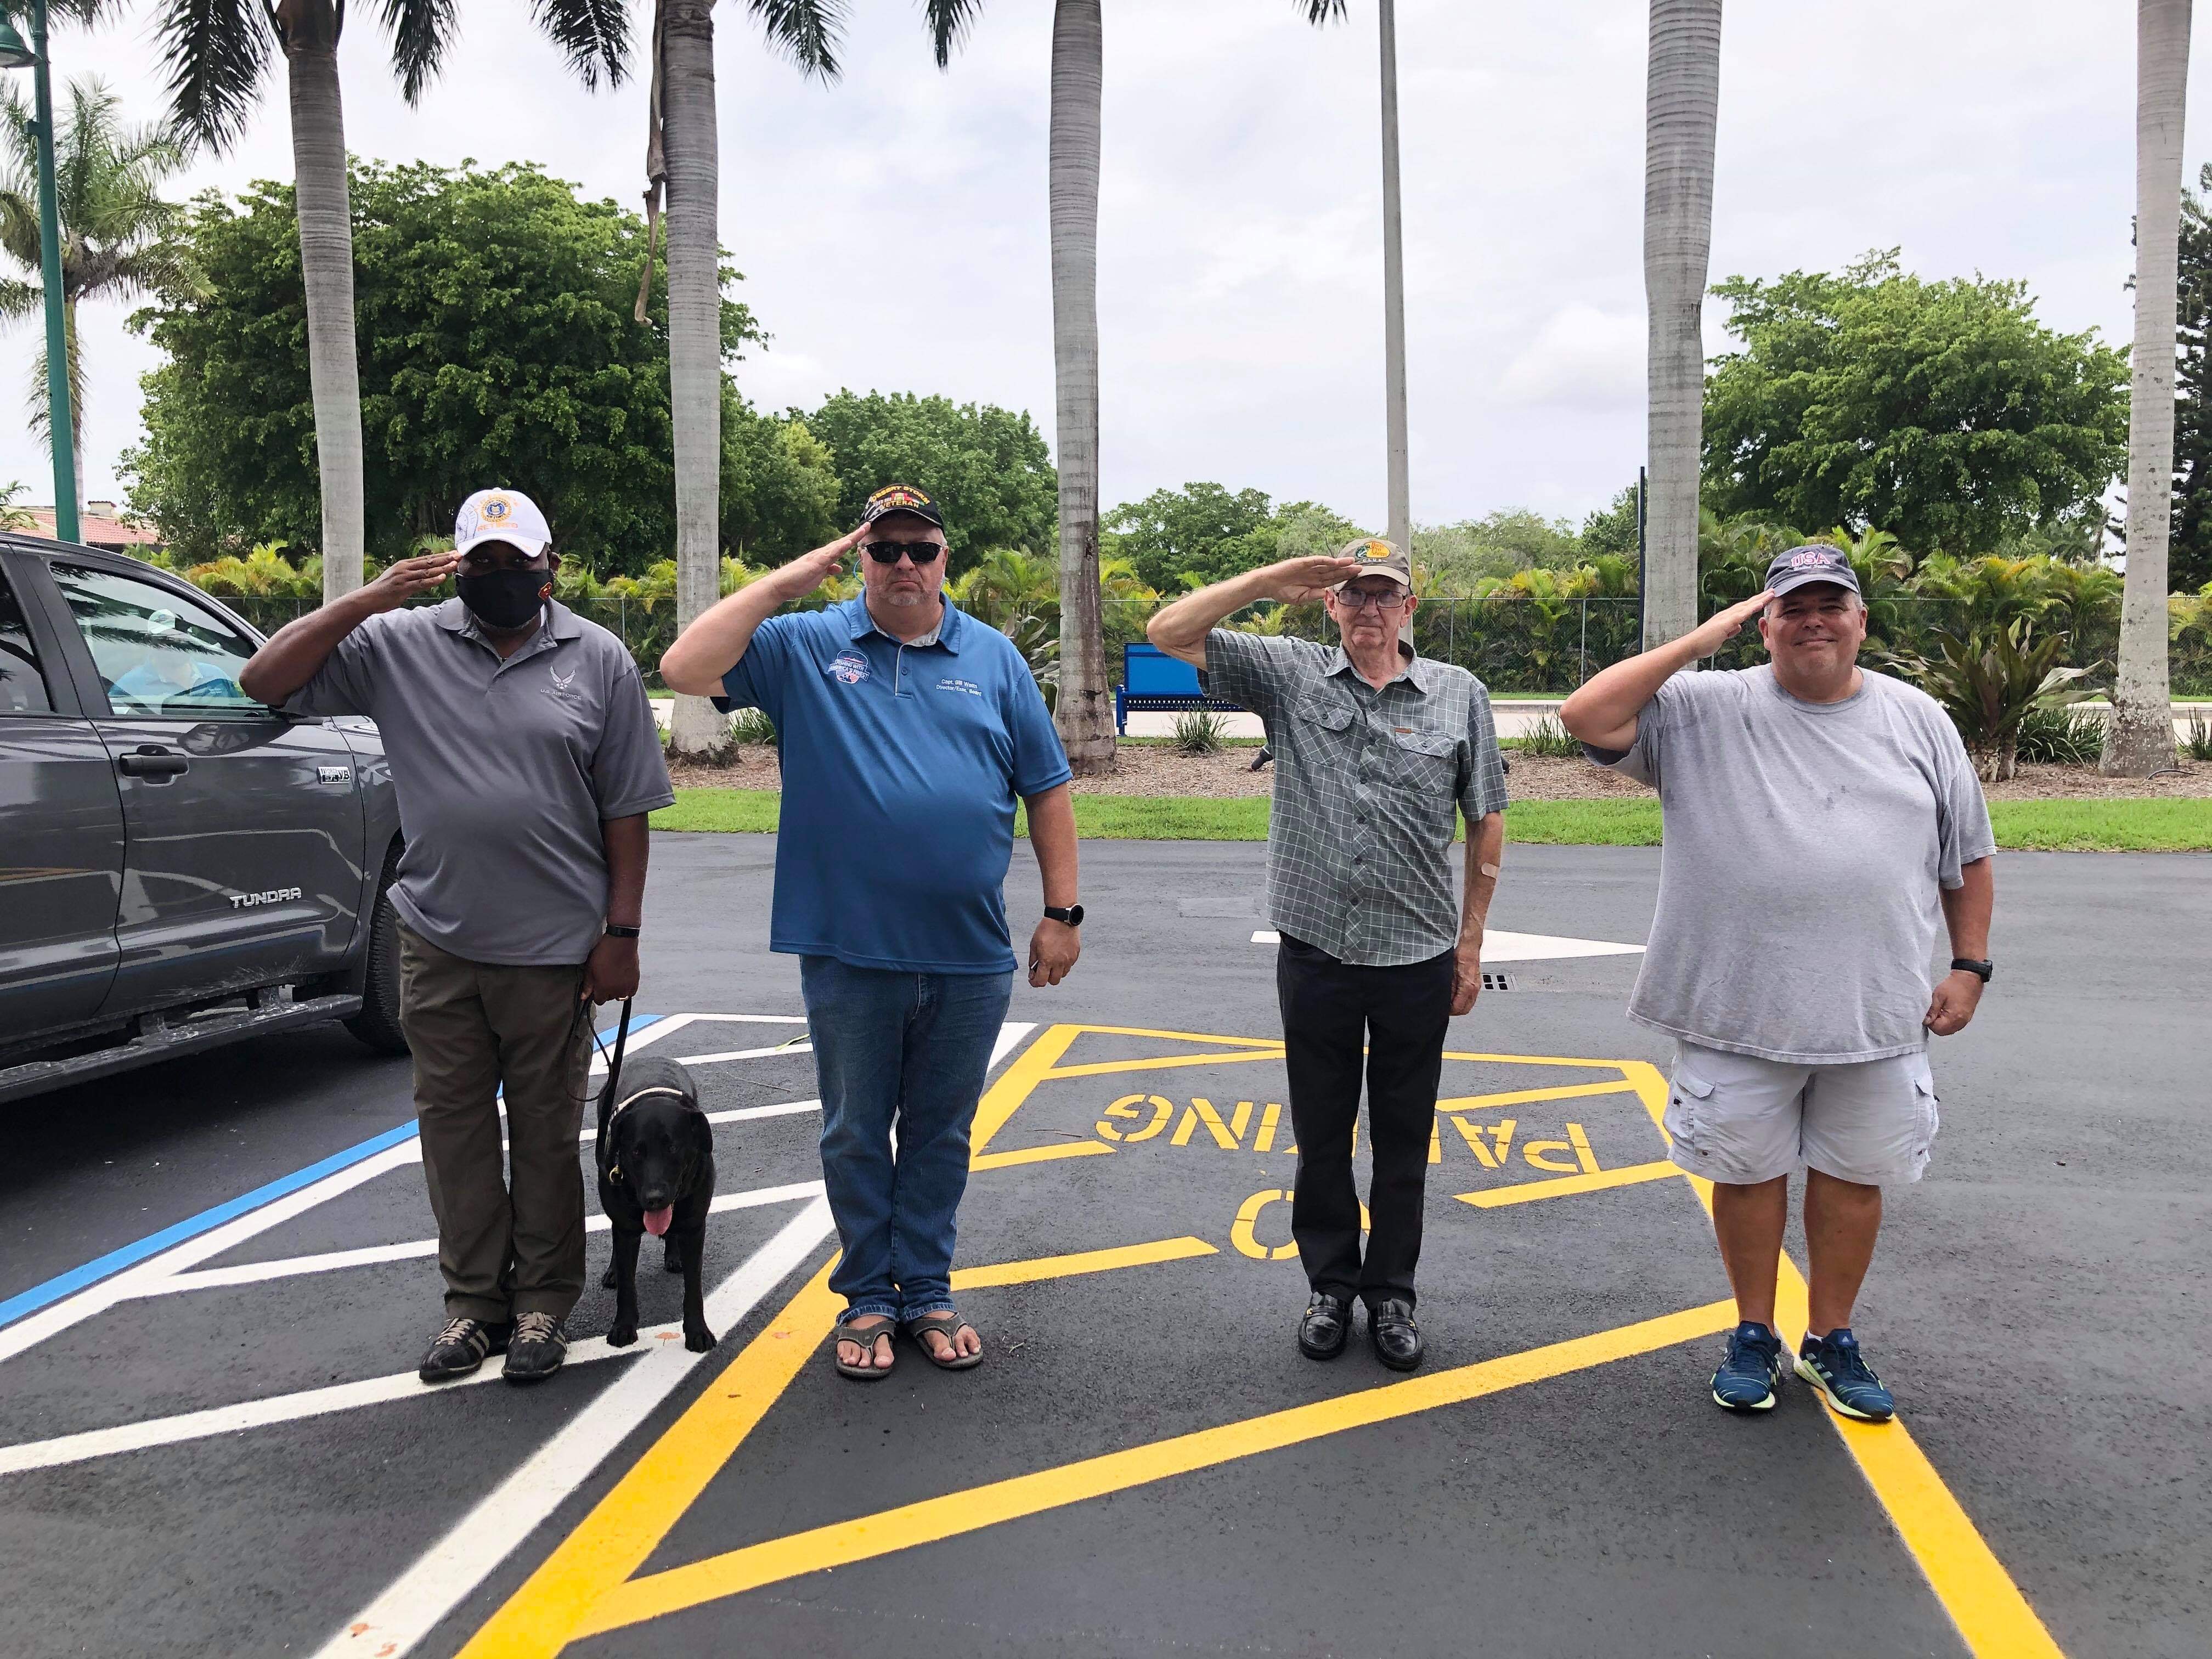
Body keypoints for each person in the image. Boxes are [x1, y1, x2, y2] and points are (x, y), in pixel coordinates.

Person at [238, 488, 672, 1386]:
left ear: (552, 564)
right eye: (484, 563)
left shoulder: (598, 659)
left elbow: (627, 809)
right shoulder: (398, 643)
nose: (502, 578)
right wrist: (368, 599)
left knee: (547, 1130)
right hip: (437, 939)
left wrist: (620, 933)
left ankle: (546, 1303)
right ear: (454, 565)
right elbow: (265, 681)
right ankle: (474, 1305)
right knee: (454, 1130)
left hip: (555, 948)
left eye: (520, 563)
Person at [1558, 545, 1996, 1421]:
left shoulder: (1918, 720)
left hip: (1875, 1005)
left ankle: (1831, 1339)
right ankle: (1753, 1333)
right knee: (1747, 1174)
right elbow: (1585, 715)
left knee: (1853, 1176)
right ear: (1763, 625)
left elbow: (1968, 856)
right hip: (1736, 1003)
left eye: (1833, 603)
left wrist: (1969, 965)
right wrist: (1704, 637)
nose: (1815, 620)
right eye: (1792, 607)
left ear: (1861, 620)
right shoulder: (1701, 708)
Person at [661, 483, 1081, 1381]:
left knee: (940, 1133)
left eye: (919, 549)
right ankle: (868, 1298)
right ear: (859, 559)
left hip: (969, 953)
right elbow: (685, 668)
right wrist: (789, 581)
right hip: (849, 947)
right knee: (856, 1131)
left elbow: (1046, 789)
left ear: (943, 560)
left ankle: (925, 1289)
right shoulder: (806, 646)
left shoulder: (995, 658)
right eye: (883, 549)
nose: (902, 565)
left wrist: (1061, 912)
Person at [1147, 538, 1508, 1373]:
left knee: (1405, 1139)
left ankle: (1392, 1297)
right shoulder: (1290, 675)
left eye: (1384, 595)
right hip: (1316, 951)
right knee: (1320, 1135)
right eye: (1353, 595)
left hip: (1416, 954)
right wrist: (1269, 579)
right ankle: (1330, 1287)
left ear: (1409, 608)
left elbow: (1486, 813)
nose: (1369, 610)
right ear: (1330, 606)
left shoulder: (1459, 696)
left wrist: (1471, 941)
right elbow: (1169, 631)